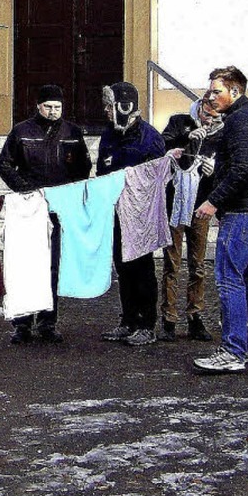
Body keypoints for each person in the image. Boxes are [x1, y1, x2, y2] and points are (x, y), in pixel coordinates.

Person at [193, 66, 248, 372]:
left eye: (217, 91)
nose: (211, 97)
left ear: (236, 91)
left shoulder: (241, 121)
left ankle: (232, 352)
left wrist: (213, 201)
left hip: (245, 213)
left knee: (230, 280)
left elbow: (242, 167)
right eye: (211, 91)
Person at [0, 84, 92, 344]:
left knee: (53, 267)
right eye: (48, 106)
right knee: (25, 264)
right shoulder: (21, 131)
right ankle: (22, 323)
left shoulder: (72, 132)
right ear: (38, 106)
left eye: (57, 107)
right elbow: (4, 164)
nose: (52, 111)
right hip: (28, 207)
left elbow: (84, 166)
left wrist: (70, 194)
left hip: (58, 208)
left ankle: (48, 322)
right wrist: (24, 189)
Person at [97, 81, 166, 346]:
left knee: (142, 269)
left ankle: (147, 324)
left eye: (109, 105)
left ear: (123, 106)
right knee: (123, 268)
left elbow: (156, 181)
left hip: (140, 216)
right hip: (115, 213)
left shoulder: (150, 137)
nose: (105, 111)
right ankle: (128, 321)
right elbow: (102, 172)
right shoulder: (109, 135)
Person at [160, 93, 223, 342]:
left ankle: (195, 317)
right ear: (200, 107)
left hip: (201, 204)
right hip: (174, 202)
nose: (209, 120)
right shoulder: (179, 121)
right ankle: (168, 318)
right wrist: (186, 138)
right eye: (206, 114)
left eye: (215, 116)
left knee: (198, 265)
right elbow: (162, 147)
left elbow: (226, 169)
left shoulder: (221, 134)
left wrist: (214, 172)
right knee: (171, 264)